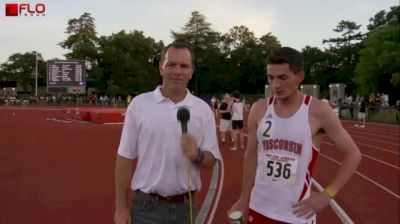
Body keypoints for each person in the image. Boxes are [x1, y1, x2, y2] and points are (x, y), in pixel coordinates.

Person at [228, 47, 361, 224]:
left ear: (300, 76)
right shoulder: (259, 109)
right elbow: (251, 155)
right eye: (271, 77)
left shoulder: (318, 111)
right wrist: (244, 199)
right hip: (259, 207)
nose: (275, 85)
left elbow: (353, 154)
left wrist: (328, 194)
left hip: (296, 215)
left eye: (283, 78)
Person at [114, 42, 221, 224]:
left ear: (191, 71)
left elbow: (211, 161)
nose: (177, 71)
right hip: (146, 207)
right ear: (161, 67)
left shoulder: (203, 110)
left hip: (185, 207)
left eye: (184, 66)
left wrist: (197, 155)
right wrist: (121, 208)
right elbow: (124, 158)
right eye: (171, 64)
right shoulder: (139, 105)